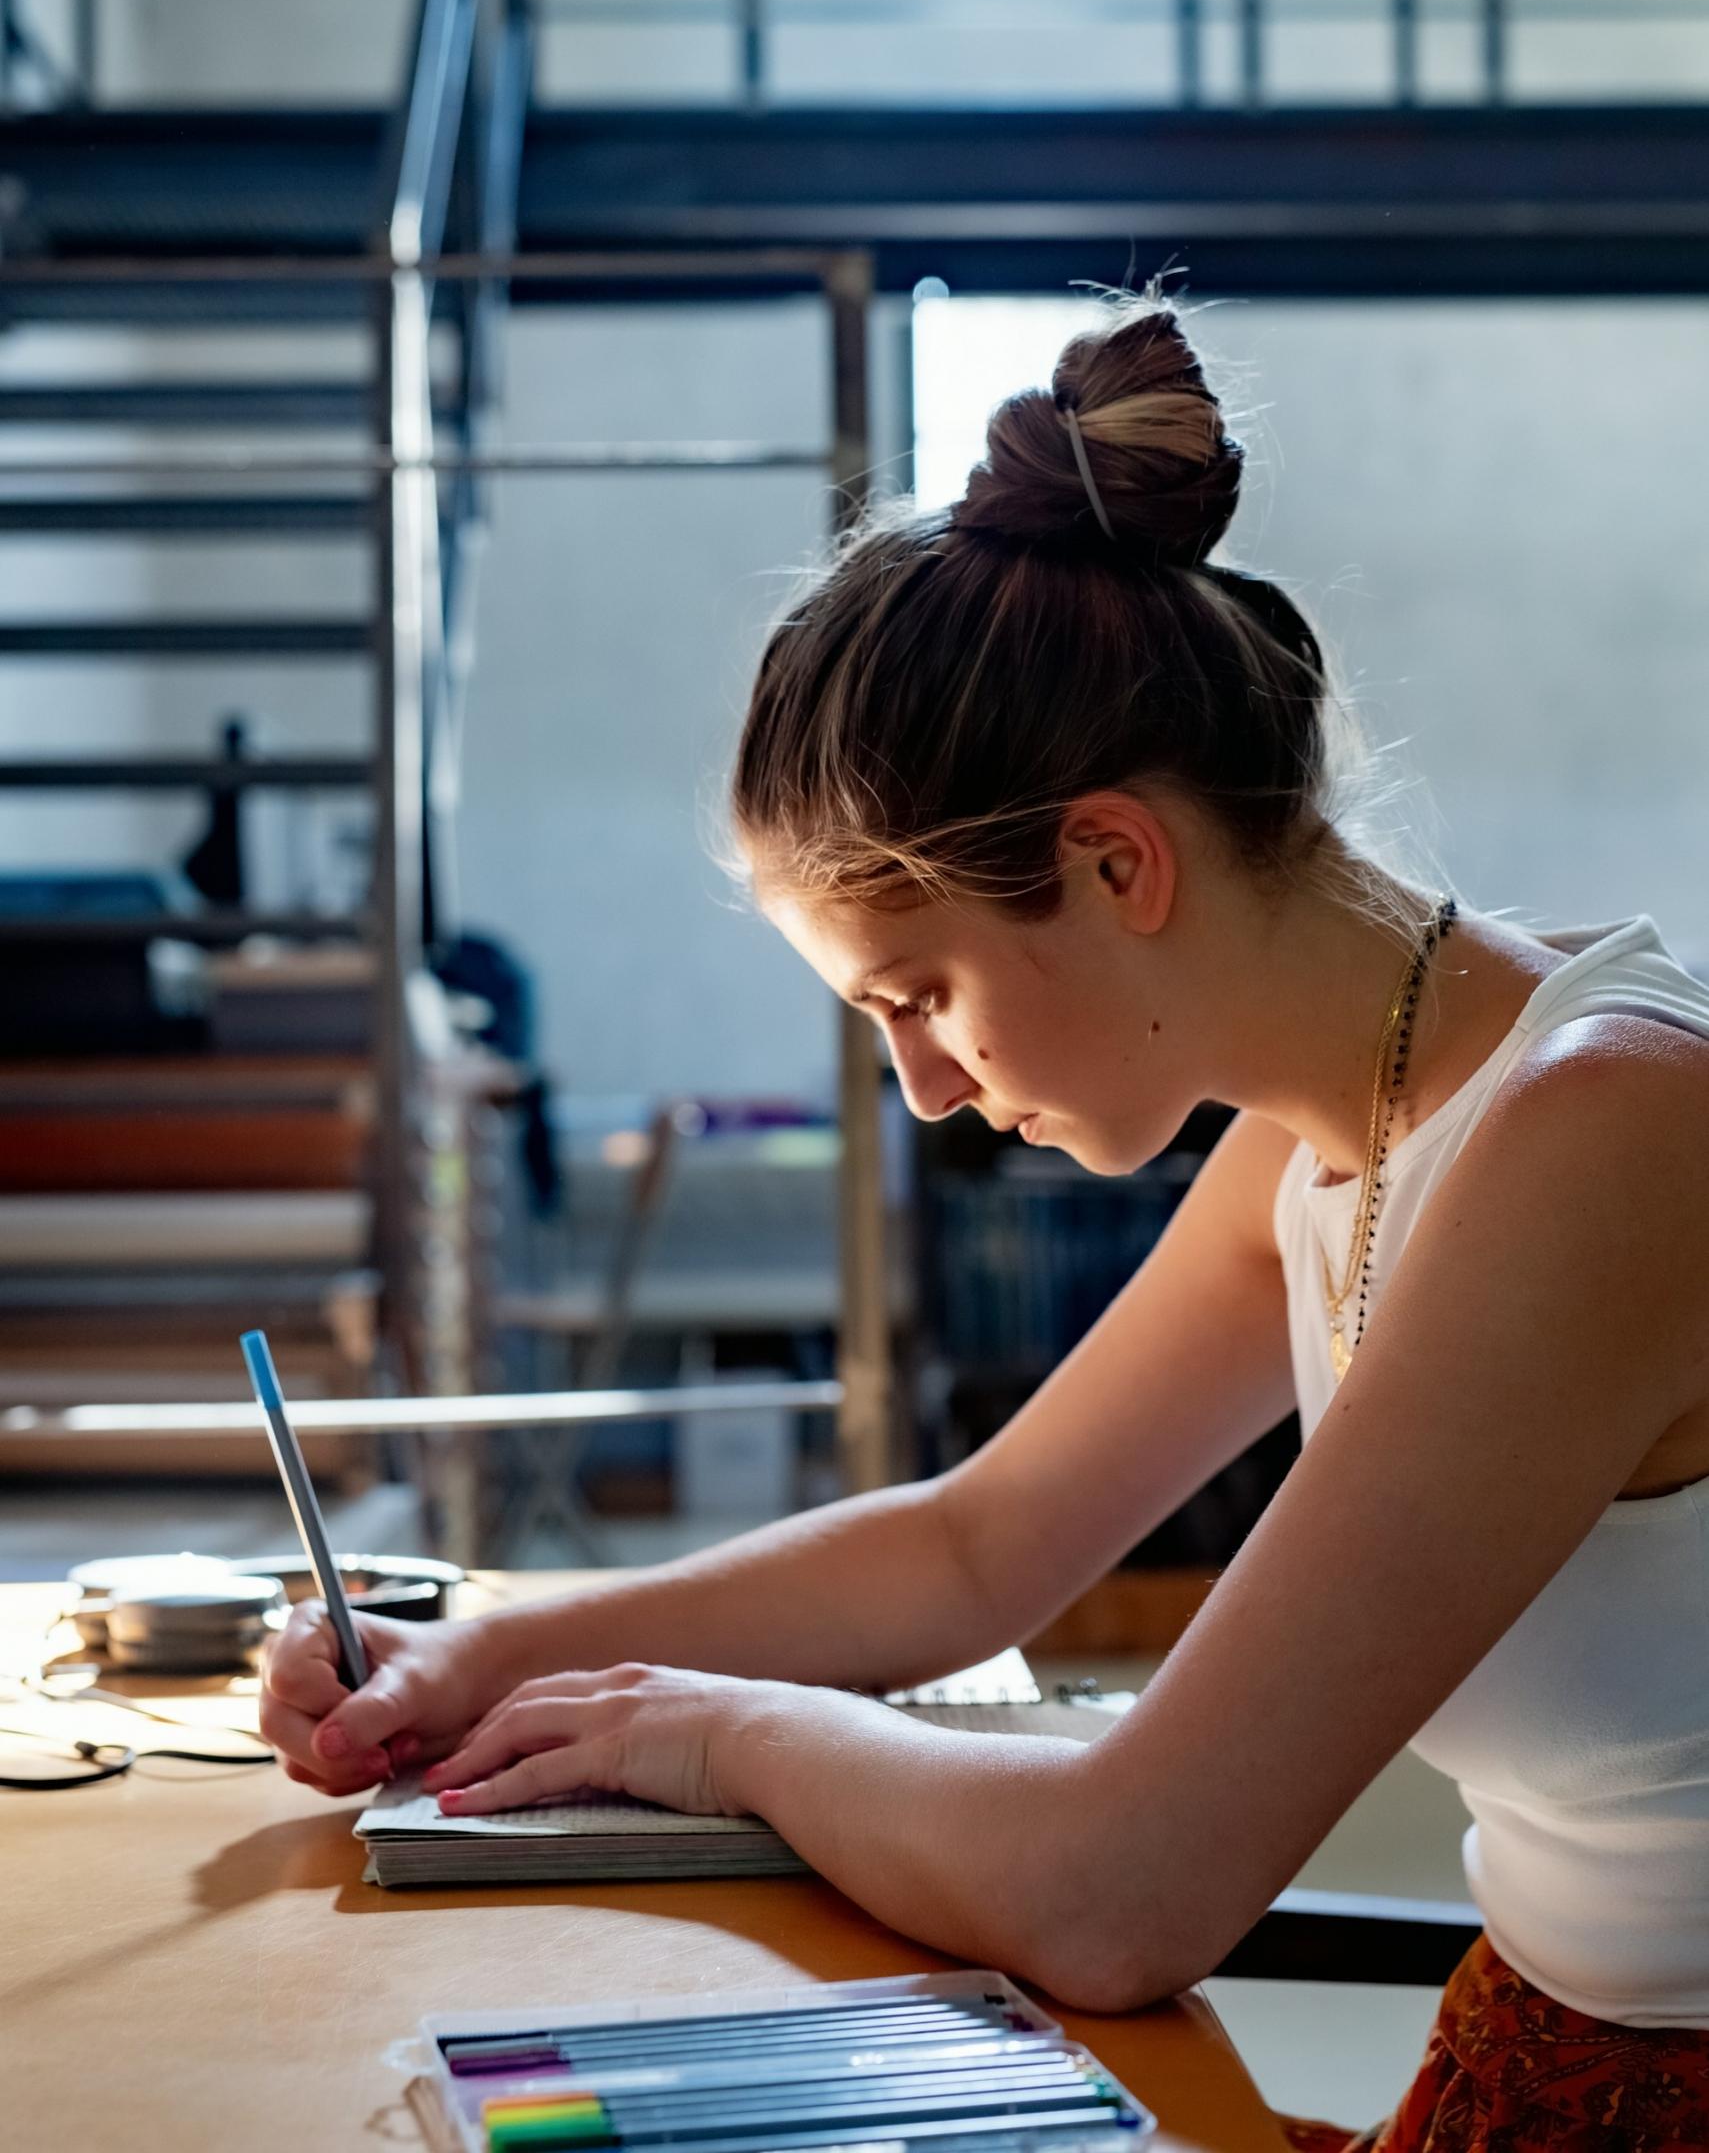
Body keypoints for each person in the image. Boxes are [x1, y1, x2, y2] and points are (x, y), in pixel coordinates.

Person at [262, 296, 1709, 2150]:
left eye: (918, 994)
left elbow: (1126, 1892)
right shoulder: (1338, 1124)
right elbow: (976, 1551)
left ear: (1116, 863)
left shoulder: (1606, 1128)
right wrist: (488, 1660)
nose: (926, 1089)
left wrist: (717, 1735)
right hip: (1549, 2056)